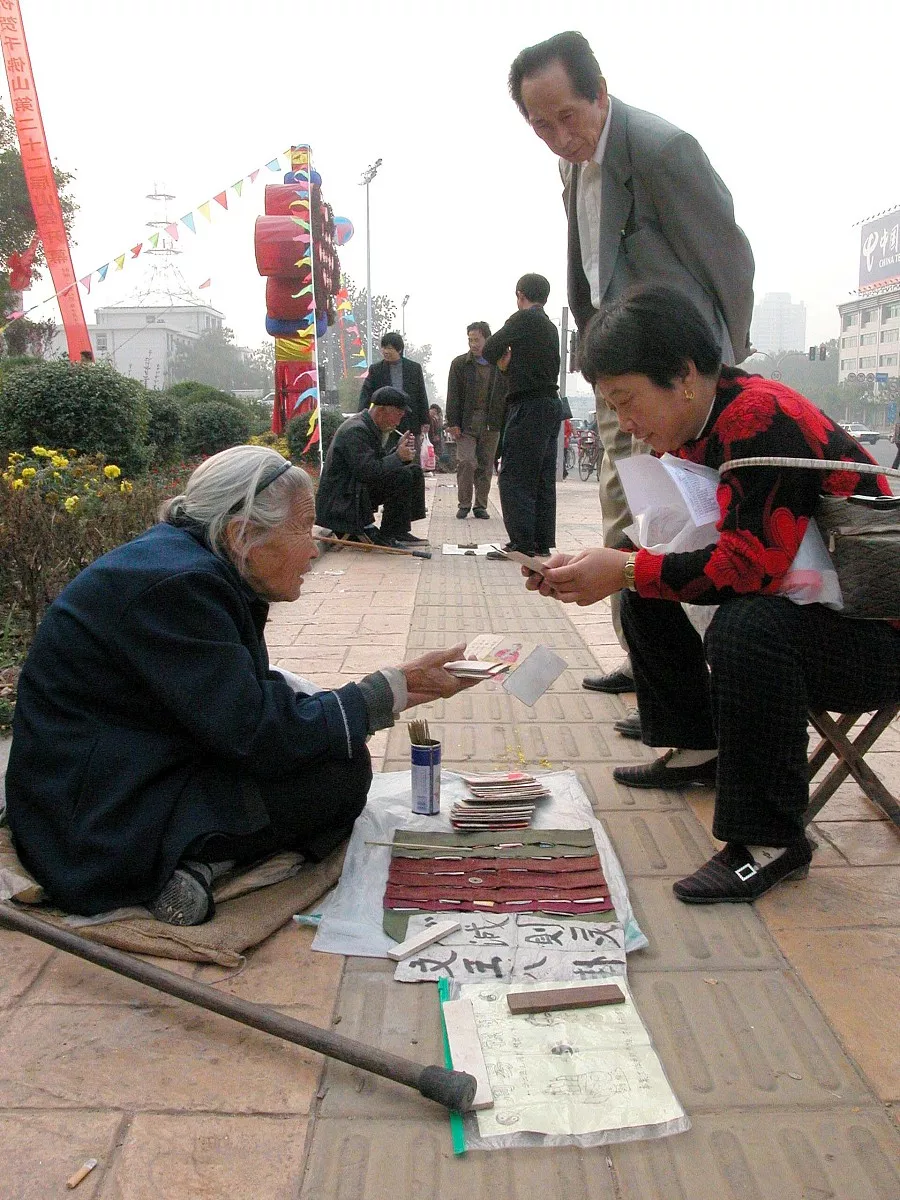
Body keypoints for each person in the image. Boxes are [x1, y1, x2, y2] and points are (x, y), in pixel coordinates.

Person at [525, 286, 899, 904]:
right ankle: (700, 746)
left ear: (686, 378)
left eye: (628, 401)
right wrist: (609, 568)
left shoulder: (759, 420)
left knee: (748, 626)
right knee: (647, 584)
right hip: (827, 613)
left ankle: (770, 840)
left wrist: (619, 570)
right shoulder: (706, 425)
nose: (627, 424)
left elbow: (748, 570)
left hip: (877, 634)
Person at [6, 446, 480, 924]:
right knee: (339, 770)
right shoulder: (178, 587)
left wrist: (399, 689)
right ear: (242, 533)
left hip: (129, 765)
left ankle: (198, 861)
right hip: (91, 821)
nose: (315, 549)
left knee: (332, 750)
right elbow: (256, 735)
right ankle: (181, 865)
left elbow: (234, 700)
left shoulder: (191, 565)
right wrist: (388, 690)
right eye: (301, 529)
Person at [508, 31, 755, 696]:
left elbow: (729, 260)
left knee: (688, 527)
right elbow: (589, 270)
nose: (560, 136)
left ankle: (691, 688)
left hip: (683, 381)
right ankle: (651, 671)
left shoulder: (659, 149)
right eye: (541, 126)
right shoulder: (571, 167)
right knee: (630, 522)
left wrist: (723, 370)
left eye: (569, 116)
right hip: (620, 373)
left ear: (600, 93)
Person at [483, 274, 561, 555]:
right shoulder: (550, 327)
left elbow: (490, 348)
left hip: (527, 406)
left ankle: (521, 543)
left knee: (514, 475)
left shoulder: (524, 319)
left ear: (520, 294)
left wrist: (505, 363)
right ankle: (540, 542)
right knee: (541, 478)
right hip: (550, 405)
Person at [316, 386, 428, 548]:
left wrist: (398, 451)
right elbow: (368, 472)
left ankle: (399, 530)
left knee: (413, 471)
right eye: (397, 415)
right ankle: (388, 533)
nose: (398, 422)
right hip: (342, 500)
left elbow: (376, 463)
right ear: (381, 410)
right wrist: (397, 457)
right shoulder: (355, 431)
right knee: (401, 476)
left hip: (356, 489)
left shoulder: (369, 426)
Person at [446, 321, 508, 518]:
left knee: (486, 464)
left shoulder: (499, 364)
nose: (473, 344)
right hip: (466, 422)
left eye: (477, 340)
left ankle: (480, 505)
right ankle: (464, 503)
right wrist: (452, 423)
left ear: (487, 340)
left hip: (492, 422)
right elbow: (453, 395)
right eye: (470, 340)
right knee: (465, 461)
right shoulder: (459, 364)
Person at [358, 332, 430, 443]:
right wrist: (361, 417)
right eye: (383, 348)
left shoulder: (414, 368)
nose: (385, 351)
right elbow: (366, 395)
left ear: (399, 350)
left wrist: (425, 421)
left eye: (389, 348)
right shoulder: (376, 370)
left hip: (409, 420)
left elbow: (421, 395)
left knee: (411, 454)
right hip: (384, 421)